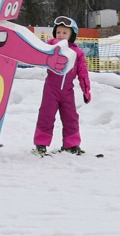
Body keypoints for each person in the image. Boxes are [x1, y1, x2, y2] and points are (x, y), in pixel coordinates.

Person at [33, 16, 91, 155]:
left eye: (65, 33)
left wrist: (86, 90)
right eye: (58, 32)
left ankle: (71, 145)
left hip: (67, 91)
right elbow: (37, 55)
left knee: (71, 117)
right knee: (46, 116)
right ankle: (41, 144)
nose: (61, 35)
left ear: (72, 35)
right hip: (51, 88)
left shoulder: (77, 53)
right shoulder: (50, 48)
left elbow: (83, 73)